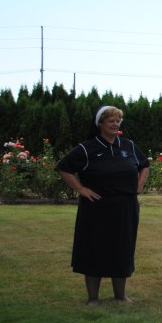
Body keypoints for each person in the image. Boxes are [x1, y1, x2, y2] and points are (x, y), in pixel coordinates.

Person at [56, 106, 150, 306]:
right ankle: (93, 298)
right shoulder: (87, 148)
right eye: (111, 121)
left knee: (122, 249)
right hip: (96, 207)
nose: (115, 124)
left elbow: (144, 165)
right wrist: (80, 188)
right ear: (100, 124)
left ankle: (120, 295)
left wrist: (140, 184)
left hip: (125, 207)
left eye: (118, 121)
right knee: (94, 249)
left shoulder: (128, 146)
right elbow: (63, 167)